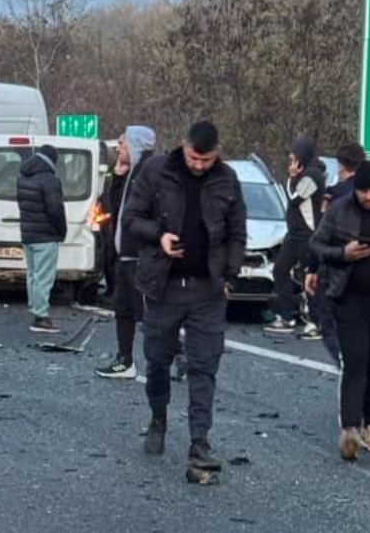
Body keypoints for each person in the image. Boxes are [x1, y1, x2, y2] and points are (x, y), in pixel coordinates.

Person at [122, 121, 246, 473]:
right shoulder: (156, 171)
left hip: (208, 288)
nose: (199, 165)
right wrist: (159, 235)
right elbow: (131, 218)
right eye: (194, 157)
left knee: (204, 365)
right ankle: (158, 418)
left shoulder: (227, 180)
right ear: (183, 145)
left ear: (217, 153)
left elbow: (237, 232)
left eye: (206, 160)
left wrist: (230, 275)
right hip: (162, 285)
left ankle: (199, 443)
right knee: (158, 358)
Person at [309, 161, 370, 459]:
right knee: (355, 361)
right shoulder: (339, 210)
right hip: (349, 297)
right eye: (364, 191)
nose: (369, 197)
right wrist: (343, 253)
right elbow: (316, 245)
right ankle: (350, 428)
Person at [96, 126, 156, 379]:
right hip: (125, 255)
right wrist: (118, 177)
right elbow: (115, 206)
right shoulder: (129, 173)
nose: (118, 149)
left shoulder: (148, 174)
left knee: (146, 314)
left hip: (140, 257)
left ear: (135, 145)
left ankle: (177, 353)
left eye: (122, 144)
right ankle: (125, 359)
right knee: (124, 309)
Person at [305, 143, 367, 363]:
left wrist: (311, 268)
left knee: (330, 324)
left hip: (336, 272)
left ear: (341, 166)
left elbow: (322, 233)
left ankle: (347, 363)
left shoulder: (334, 197)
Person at [267, 137, 326, 335]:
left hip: (308, 235)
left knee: (309, 276)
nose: (291, 164)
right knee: (280, 270)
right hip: (293, 235)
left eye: (293, 159)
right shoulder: (305, 174)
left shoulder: (313, 176)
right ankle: (287, 315)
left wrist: (292, 177)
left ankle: (316, 321)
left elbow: (294, 198)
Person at [16, 145, 67, 334]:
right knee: (44, 277)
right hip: (46, 235)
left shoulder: (23, 178)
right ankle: (41, 316)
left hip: (28, 234)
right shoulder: (50, 181)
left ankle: (35, 307)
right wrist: (61, 231)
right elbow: (55, 210)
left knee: (32, 275)